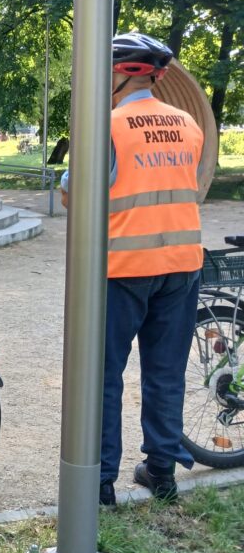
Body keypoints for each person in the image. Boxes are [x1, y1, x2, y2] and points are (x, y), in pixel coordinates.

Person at [61, 33, 204, 505]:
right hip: (182, 266)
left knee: (104, 376)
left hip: (123, 267)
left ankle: (101, 482)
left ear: (118, 75)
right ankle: (161, 472)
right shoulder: (188, 124)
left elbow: (75, 194)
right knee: (166, 373)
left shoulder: (106, 126)